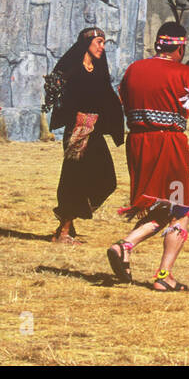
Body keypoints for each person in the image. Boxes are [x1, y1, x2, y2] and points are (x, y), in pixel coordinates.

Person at [107, 22, 189, 292]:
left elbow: (122, 101)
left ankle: (127, 247)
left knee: (162, 205)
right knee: (179, 207)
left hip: (138, 143)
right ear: (179, 47)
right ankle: (161, 272)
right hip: (169, 145)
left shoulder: (133, 70)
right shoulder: (185, 74)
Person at [49, 26, 124, 243]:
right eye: (99, 42)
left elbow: (106, 97)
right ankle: (63, 230)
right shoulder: (72, 69)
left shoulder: (99, 69)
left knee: (107, 181)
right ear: (87, 43)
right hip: (77, 132)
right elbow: (58, 92)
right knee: (74, 179)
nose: (102, 47)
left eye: (103, 42)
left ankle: (68, 215)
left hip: (95, 131)